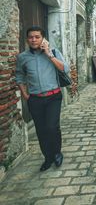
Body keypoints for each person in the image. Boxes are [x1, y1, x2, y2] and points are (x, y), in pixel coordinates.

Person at [15, 26, 69, 171]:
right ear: (27, 39)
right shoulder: (22, 57)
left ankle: (57, 153)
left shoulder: (54, 52)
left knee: (52, 127)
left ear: (43, 38)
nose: (34, 39)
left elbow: (64, 69)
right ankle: (48, 157)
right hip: (35, 99)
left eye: (37, 37)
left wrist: (49, 54)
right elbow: (19, 76)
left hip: (54, 97)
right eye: (31, 37)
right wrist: (25, 95)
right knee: (41, 130)